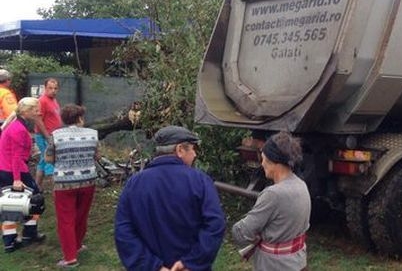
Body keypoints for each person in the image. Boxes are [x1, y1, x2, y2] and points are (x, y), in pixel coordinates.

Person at [115, 125, 225, 271]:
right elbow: (215, 224)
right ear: (180, 150)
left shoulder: (134, 184)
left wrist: (152, 266)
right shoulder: (200, 181)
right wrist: (191, 262)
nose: (195, 155)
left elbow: (123, 230)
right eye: (192, 149)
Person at [231, 132, 311, 271]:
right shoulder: (301, 185)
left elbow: (241, 234)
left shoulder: (273, 194)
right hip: (297, 263)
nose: (262, 164)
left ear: (275, 162)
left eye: (264, 159)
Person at [51, 104, 99, 268]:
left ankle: (70, 257)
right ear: (79, 118)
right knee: (81, 214)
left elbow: (50, 158)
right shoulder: (93, 134)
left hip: (64, 183)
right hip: (88, 180)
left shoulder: (56, 135)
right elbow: (96, 156)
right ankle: (78, 244)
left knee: (66, 219)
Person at [0, 97, 45, 253]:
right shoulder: (18, 129)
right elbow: (16, 157)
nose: (39, 112)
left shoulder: (16, 124)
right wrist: (17, 179)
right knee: (36, 200)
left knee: (10, 205)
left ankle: (10, 241)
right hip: (13, 170)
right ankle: (28, 234)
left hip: (7, 169)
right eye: (35, 110)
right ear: (26, 111)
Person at [34, 78, 62, 189]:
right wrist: (47, 136)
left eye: (55, 88)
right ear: (45, 88)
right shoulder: (42, 101)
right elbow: (38, 120)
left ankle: (37, 187)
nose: (53, 90)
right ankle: (56, 188)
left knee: (42, 161)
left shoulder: (53, 100)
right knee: (50, 160)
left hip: (53, 135)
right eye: (50, 88)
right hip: (44, 136)